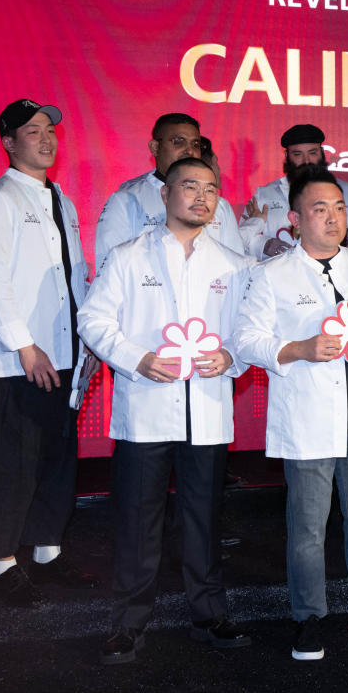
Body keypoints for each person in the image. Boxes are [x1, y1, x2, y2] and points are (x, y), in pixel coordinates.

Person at [79, 156, 253, 664]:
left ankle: (209, 614)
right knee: (138, 521)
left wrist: (231, 357)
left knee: (205, 518)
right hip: (146, 412)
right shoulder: (129, 256)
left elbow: (250, 331)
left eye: (211, 189)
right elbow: (92, 319)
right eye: (190, 187)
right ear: (164, 194)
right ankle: (129, 623)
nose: (202, 197)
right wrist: (138, 359)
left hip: (207, 410)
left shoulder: (232, 263)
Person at [234, 165, 348, 660]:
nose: (333, 218)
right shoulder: (271, 275)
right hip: (308, 416)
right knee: (308, 526)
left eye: (339, 208)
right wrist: (299, 349)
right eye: (319, 209)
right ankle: (308, 617)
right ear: (294, 219)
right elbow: (246, 341)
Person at [0, 99, 96, 607]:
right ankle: (1, 565)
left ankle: (48, 553)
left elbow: (75, 277)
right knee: (9, 465)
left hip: (61, 357)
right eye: (33, 131)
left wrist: (86, 343)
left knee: (56, 460)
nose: (46, 139)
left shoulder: (59, 198)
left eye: (50, 131)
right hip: (13, 363)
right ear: (8, 142)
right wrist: (23, 343)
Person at [94, 113, 243, 269]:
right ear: (155, 147)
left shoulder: (219, 205)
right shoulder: (125, 200)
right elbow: (108, 268)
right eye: (178, 142)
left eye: (195, 144)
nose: (189, 151)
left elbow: (235, 267)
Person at [237, 123, 348, 260]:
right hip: (279, 276)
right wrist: (265, 244)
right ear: (287, 155)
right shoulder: (265, 195)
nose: (306, 161)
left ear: (322, 153)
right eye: (298, 154)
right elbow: (242, 242)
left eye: (312, 153)